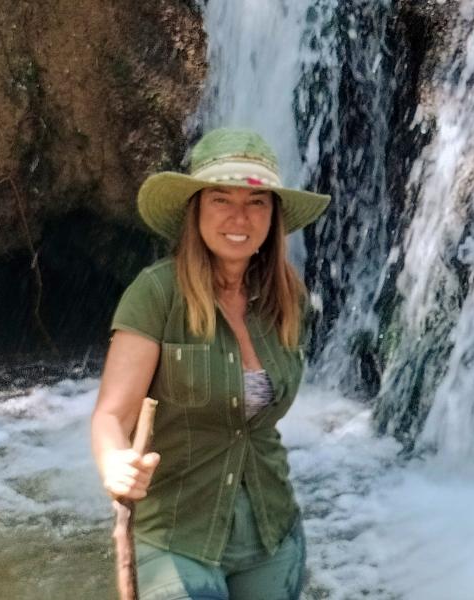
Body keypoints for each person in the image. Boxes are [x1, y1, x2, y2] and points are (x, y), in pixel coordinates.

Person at [91, 127, 330, 599]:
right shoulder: (156, 293)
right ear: (195, 209)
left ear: (273, 216)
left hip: (271, 529)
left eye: (257, 202)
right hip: (179, 533)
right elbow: (111, 414)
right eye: (221, 199)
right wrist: (113, 461)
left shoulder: (287, 298)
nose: (239, 216)